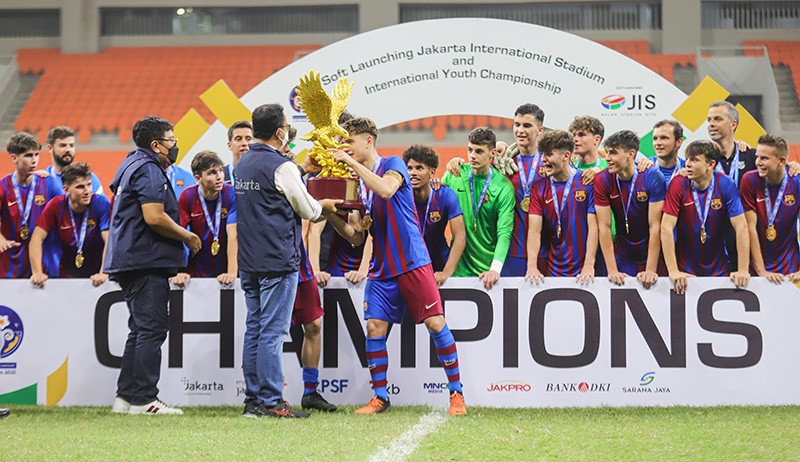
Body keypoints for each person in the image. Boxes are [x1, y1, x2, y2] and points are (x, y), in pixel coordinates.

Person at [326, 116, 467, 416]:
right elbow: (354, 236)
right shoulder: (356, 185)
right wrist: (329, 214)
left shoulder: (393, 163)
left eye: (349, 141)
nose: (345, 147)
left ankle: (456, 393)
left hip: (413, 261)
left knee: (435, 324)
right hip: (381, 267)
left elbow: (387, 190)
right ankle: (380, 397)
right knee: (374, 327)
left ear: (367, 141)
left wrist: (353, 166)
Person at [235, 103, 339, 419]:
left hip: (249, 259)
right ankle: (270, 400)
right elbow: (309, 210)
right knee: (272, 331)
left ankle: (253, 400)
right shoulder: (282, 166)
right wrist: (327, 205)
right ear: (281, 130)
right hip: (277, 259)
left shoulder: (242, 163)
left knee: (254, 328)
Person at [104, 116, 202, 415]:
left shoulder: (130, 164)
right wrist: (188, 236)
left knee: (140, 328)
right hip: (145, 259)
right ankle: (145, 399)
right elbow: (154, 216)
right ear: (156, 144)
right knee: (152, 329)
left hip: (129, 257)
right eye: (171, 140)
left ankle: (125, 398)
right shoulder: (149, 170)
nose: (175, 146)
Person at [444, 104, 546, 277]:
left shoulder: (549, 164)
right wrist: (454, 162)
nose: (520, 130)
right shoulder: (501, 163)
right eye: (517, 125)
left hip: (544, 251)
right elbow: (477, 162)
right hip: (510, 253)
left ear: (540, 130)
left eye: (527, 125)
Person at [278, 129, 337, 412]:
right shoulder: (271, 170)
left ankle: (310, 391)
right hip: (278, 262)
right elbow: (310, 218)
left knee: (313, 324)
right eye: (286, 141)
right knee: (274, 331)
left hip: (299, 262)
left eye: (291, 143)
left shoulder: (293, 173)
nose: (289, 146)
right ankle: (269, 393)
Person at [660, 140, 749, 295]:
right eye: (687, 159)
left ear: (710, 164)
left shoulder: (726, 184)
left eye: (694, 160)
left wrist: (742, 269)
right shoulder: (679, 183)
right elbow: (666, 226)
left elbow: (741, 226)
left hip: (720, 271)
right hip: (684, 272)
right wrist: (673, 270)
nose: (687, 164)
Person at [442, 127, 515, 289]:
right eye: (470, 150)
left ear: (493, 153)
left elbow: (504, 233)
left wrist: (495, 269)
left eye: (479, 151)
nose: (472, 156)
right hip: (458, 270)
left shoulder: (504, 187)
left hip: (488, 273)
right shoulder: (454, 175)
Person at [593, 130, 666, 288]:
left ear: (631, 154)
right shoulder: (602, 179)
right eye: (607, 153)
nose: (607, 158)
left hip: (652, 255)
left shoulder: (652, 177)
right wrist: (612, 270)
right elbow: (604, 227)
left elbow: (656, 226)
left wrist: (650, 270)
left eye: (613, 153)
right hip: (622, 255)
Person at [525, 130, 597, 283]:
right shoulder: (539, 188)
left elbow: (594, 228)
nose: (543, 160)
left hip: (585, 271)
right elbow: (534, 231)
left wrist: (589, 265)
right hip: (553, 270)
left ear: (566, 156)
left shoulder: (587, 183)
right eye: (542, 154)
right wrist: (531, 266)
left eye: (549, 154)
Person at [29, 163, 110, 287]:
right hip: (66, 277)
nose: (87, 191)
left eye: (89, 185)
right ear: (66, 189)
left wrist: (103, 273)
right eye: (80, 187)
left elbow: (109, 240)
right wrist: (37, 273)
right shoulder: (56, 205)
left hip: (96, 274)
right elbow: (36, 238)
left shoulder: (100, 203)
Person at [740, 134, 800, 283]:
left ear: (781, 161)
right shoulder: (749, 180)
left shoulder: (797, 182)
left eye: (764, 158)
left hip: (790, 267)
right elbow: (750, 227)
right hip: (756, 268)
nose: (758, 163)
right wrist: (761, 271)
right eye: (757, 157)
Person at [403, 144, 466, 285]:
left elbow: (460, 236)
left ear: (432, 172)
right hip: (410, 265)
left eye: (419, 168)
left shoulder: (445, 195)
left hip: (440, 264)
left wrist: (447, 272)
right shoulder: (401, 197)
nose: (413, 173)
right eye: (409, 168)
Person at [172, 151, 237, 287]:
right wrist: (179, 271)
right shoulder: (188, 196)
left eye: (220, 170)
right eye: (212, 173)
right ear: (197, 178)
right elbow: (178, 234)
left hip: (226, 270)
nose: (219, 177)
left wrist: (232, 273)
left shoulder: (231, 193)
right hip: (195, 273)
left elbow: (233, 235)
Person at [0, 132, 58, 278]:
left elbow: (66, 210)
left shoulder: (48, 183)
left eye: (36, 155)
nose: (34, 160)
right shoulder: (3, 187)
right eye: (28, 156)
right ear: (14, 158)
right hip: (10, 262)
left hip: (43, 262)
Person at [44, 126, 104, 195]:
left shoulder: (88, 177)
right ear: (50, 148)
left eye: (71, 145)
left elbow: (101, 204)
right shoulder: (43, 179)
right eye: (63, 145)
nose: (68, 149)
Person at [652, 119, 685, 189]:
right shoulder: (644, 167)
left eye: (664, 138)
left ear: (678, 142)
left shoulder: (688, 168)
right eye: (655, 139)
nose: (658, 143)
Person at [223, 120, 254, 185]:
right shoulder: (220, 176)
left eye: (248, 139)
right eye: (239, 139)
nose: (244, 143)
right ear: (229, 145)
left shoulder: (261, 174)